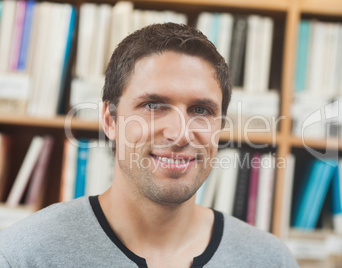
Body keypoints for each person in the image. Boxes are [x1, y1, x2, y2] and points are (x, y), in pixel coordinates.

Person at [0, 23, 298, 268]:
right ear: (110, 120)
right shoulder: (23, 256)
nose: (179, 134)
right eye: (153, 105)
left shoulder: (271, 260)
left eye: (201, 110)